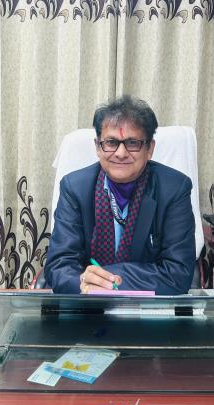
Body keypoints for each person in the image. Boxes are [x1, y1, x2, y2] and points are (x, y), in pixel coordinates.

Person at [45, 95, 196, 295]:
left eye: (132, 143)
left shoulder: (174, 189)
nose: (121, 153)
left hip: (149, 307)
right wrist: (82, 282)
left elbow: (178, 274)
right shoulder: (75, 188)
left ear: (150, 149)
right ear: (98, 147)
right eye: (111, 142)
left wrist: (104, 279)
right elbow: (58, 266)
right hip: (86, 304)